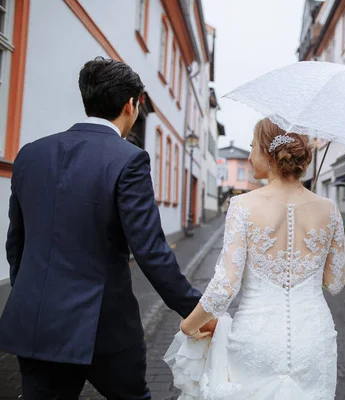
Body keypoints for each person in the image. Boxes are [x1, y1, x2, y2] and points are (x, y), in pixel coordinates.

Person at [0, 57, 211, 399]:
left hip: (36, 324)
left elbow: (16, 244)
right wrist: (195, 309)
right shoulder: (128, 158)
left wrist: (30, 295)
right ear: (131, 105)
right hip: (103, 329)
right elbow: (151, 251)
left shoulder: (30, 154)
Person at [166, 118, 345, 399]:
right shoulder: (329, 209)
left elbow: (226, 286)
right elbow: (335, 283)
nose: (249, 156)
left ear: (268, 152)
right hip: (314, 337)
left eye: (252, 147)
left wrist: (189, 324)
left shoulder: (242, 206)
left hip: (257, 339)